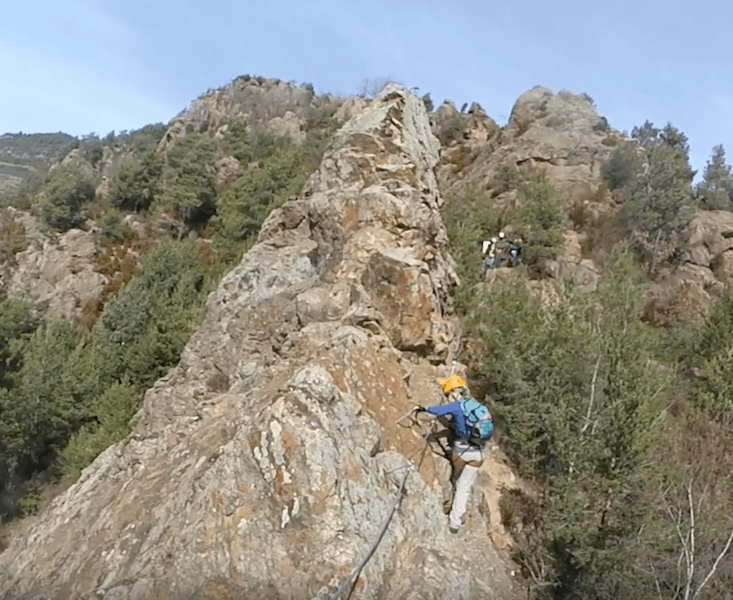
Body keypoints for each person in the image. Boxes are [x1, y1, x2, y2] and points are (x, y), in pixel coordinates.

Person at [415, 376, 493, 533]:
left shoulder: (457, 407)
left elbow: (438, 411)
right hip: (478, 454)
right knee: (465, 485)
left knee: (458, 480)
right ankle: (456, 521)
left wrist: (422, 408)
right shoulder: (478, 407)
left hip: (461, 451)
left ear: (451, 392)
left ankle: (453, 513)